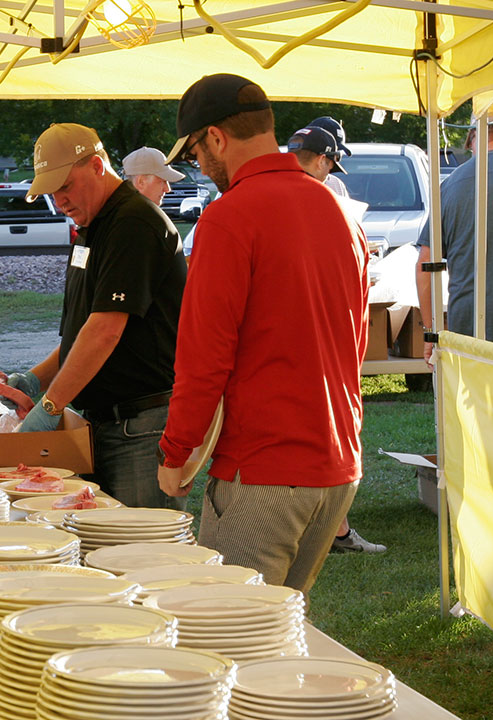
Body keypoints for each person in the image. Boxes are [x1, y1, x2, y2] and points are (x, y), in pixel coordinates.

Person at [157, 74, 369, 596]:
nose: (199, 169)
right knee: (280, 631)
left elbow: (204, 358)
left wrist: (176, 451)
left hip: (266, 468)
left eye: (194, 155)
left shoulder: (228, 217)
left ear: (216, 138)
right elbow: (355, 340)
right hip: (337, 462)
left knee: (229, 631)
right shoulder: (340, 212)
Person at [11, 123, 188, 509]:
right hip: (103, 426)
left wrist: (51, 406)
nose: (60, 200)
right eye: (52, 192)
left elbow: (106, 330)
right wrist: (33, 381)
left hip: (140, 427)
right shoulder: (94, 225)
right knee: (103, 551)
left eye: (65, 186)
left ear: (96, 166)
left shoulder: (133, 223)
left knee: (144, 554)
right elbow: (81, 335)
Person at [286, 125, 386, 556]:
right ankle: (331, 531)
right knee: (328, 435)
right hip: (315, 338)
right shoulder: (319, 199)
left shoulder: (267, 191)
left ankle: (326, 528)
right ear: (323, 159)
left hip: (290, 339)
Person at [416, 112, 493, 358]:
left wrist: (432, 332)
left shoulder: (449, 184)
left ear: (474, 137)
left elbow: (425, 265)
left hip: (467, 332)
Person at [308, 115, 353, 197]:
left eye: (337, 154)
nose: (332, 164)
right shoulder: (287, 182)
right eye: (332, 154)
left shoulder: (335, 185)